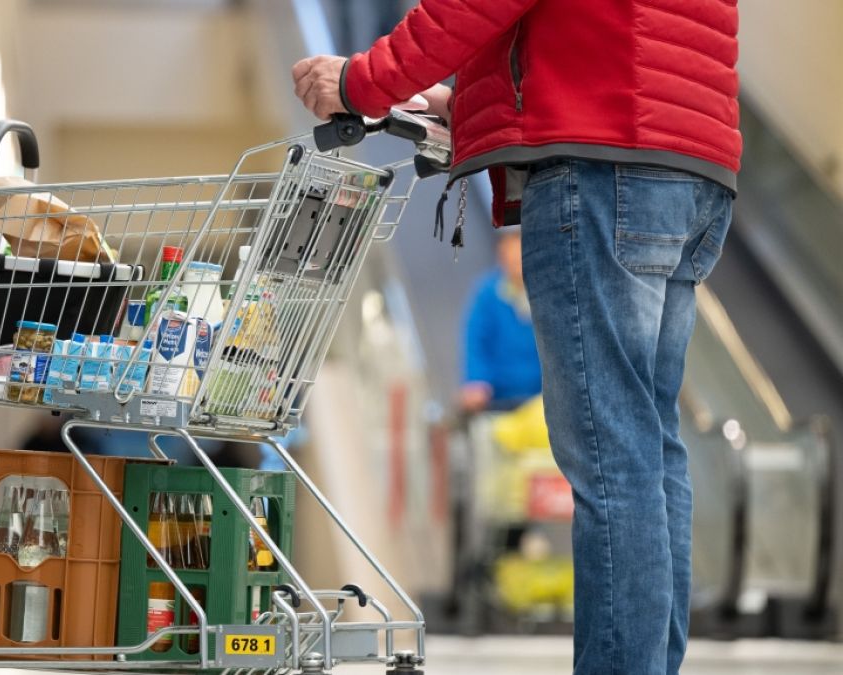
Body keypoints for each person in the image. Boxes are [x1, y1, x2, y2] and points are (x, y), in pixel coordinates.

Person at [292, 3, 740, 674]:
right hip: (691, 164)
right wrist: (465, 105)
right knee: (648, 449)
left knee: (612, 454)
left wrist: (363, 82)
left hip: (601, 164)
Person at [459, 229, 540, 413]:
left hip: (543, 395)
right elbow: (475, 341)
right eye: (510, 258)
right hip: (499, 398)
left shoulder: (549, 292)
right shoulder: (487, 293)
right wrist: (476, 380)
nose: (516, 264)